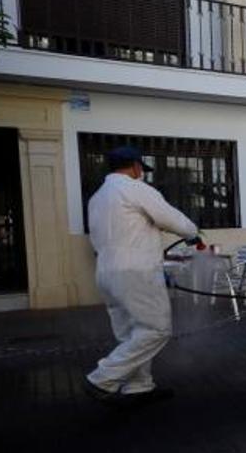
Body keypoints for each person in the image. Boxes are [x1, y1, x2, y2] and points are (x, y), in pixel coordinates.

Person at [83, 146, 200, 407]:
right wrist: (192, 232)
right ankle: (102, 378)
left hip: (106, 270)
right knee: (157, 329)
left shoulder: (98, 197)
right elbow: (170, 218)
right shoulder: (135, 189)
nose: (141, 175)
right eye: (141, 170)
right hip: (135, 270)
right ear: (135, 166)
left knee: (131, 334)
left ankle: (138, 387)